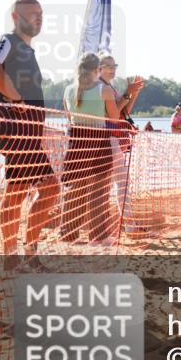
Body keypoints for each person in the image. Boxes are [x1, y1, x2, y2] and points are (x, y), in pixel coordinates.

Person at [0, 0, 61, 259]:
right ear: (16, 17)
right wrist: (15, 98)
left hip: (28, 133)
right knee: (25, 189)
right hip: (13, 130)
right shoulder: (9, 41)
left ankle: (25, 253)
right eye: (31, 14)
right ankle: (13, 257)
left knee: (42, 188)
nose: (37, 18)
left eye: (40, 14)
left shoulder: (28, 50)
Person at [61, 52, 121, 244]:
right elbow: (115, 119)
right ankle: (98, 236)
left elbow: (68, 117)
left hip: (77, 141)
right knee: (99, 191)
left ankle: (68, 234)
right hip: (98, 141)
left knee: (75, 191)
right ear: (97, 70)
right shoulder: (104, 90)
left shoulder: (68, 90)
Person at [98, 53, 144, 211]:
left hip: (116, 139)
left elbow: (125, 112)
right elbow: (115, 116)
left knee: (119, 181)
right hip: (109, 138)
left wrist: (133, 94)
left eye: (114, 66)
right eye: (108, 66)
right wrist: (127, 93)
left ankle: (126, 222)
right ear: (99, 68)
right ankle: (129, 223)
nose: (113, 69)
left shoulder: (110, 87)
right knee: (121, 181)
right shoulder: (101, 87)